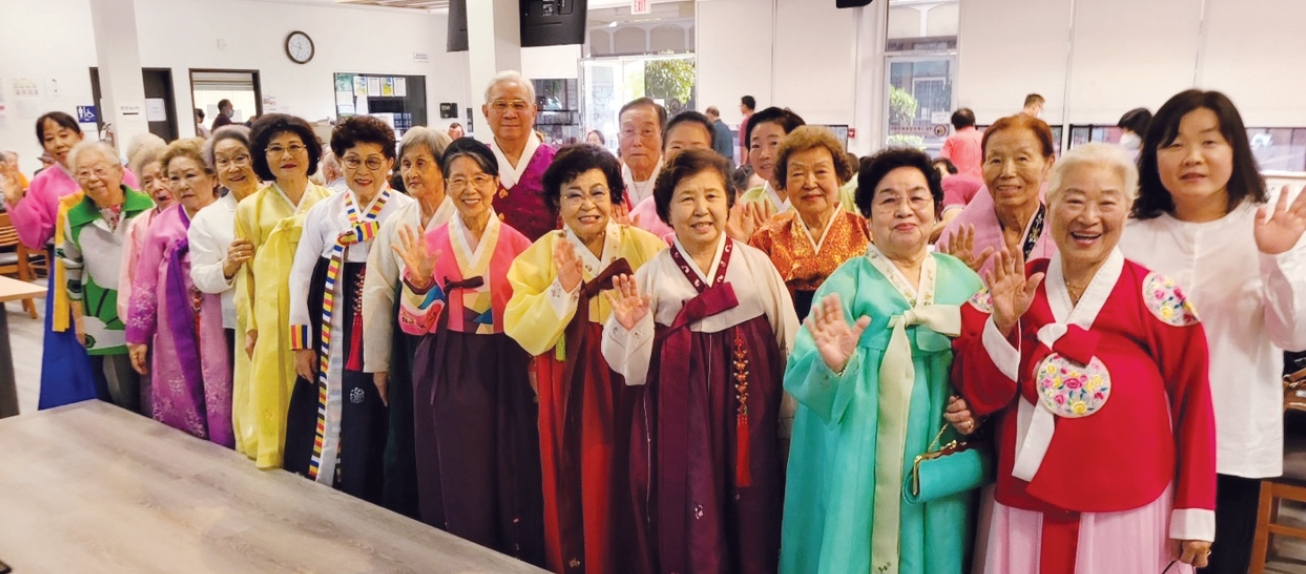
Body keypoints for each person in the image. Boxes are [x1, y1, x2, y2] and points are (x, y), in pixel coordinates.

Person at [952, 143, 1216, 573]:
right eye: (1073, 200)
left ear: (1127, 209)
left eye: (1106, 202)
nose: (1089, 217)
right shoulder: (1015, 286)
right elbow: (978, 394)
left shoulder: (1159, 298)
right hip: (1025, 500)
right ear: (1050, 202)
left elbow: (1195, 404)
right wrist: (1001, 323)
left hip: (1130, 503)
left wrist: (1195, 512)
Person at [1121, 90, 1306, 574]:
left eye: (1208, 142)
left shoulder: (1272, 228)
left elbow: (1295, 336)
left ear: (1235, 150)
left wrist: (1275, 258)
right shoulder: (1130, 234)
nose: (1192, 157)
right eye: (1174, 144)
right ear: (1153, 156)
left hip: (1230, 440)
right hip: (1138, 439)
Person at [780, 146, 982, 574]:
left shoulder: (964, 281)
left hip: (937, 440)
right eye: (888, 200)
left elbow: (987, 365)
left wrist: (976, 408)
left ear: (936, 208)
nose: (904, 210)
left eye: (917, 197)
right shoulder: (847, 282)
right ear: (868, 216)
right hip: (861, 444)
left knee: (939, 535)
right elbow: (803, 374)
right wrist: (835, 366)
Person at [602, 149, 799, 574]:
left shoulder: (757, 266)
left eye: (711, 196)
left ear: (729, 203)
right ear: (667, 211)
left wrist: (789, 422)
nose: (701, 209)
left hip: (750, 418)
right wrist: (632, 327)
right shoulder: (650, 276)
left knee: (753, 513)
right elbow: (629, 370)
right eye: (687, 198)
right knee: (692, 513)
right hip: (679, 421)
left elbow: (788, 345)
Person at [503, 144, 666, 574]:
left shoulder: (644, 245)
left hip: (630, 370)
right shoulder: (542, 253)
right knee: (576, 474)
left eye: (597, 192)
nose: (587, 205)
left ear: (614, 197)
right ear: (557, 202)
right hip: (568, 374)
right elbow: (519, 323)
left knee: (633, 467)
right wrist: (563, 288)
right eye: (573, 194)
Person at [392, 137, 544, 565]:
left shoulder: (521, 244)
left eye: (479, 178)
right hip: (447, 361)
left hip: (505, 364)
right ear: (446, 184)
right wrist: (419, 282)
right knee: (455, 462)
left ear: (496, 184)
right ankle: (456, 552)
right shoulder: (429, 242)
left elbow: (534, 320)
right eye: (458, 179)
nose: (469, 189)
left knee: (509, 458)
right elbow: (412, 324)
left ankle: (509, 552)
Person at [283, 116, 413, 502]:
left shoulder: (406, 210)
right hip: (331, 326)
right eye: (352, 161)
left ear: (389, 163)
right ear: (338, 162)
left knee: (381, 404)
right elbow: (300, 277)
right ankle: (329, 483)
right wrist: (301, 342)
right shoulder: (324, 213)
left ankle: (378, 491)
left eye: (373, 161)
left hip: (384, 322)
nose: (362, 171)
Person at [0, 113, 137, 410]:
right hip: (71, 276)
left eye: (64, 134)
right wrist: (16, 201)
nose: (58, 143)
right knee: (79, 348)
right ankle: (86, 410)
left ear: (79, 135)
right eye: (49, 139)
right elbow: (35, 238)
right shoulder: (43, 182)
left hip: (121, 269)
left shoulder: (117, 170)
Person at [361, 126, 454, 518]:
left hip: (455, 342)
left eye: (422, 164)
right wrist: (379, 362)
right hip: (407, 344)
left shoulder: (464, 216)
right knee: (408, 426)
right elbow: (378, 293)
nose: (411, 173)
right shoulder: (397, 223)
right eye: (406, 164)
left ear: (444, 168)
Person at [234, 114, 331, 469]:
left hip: (318, 305)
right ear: (263, 156)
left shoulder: (328, 201)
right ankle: (275, 452)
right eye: (275, 149)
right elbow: (246, 273)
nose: (286, 155)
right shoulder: (250, 208)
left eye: (294, 146)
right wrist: (251, 324)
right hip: (272, 312)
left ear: (310, 152)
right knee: (273, 380)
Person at [125, 138, 232, 445]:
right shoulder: (162, 225)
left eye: (190, 175)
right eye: (174, 177)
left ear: (213, 177)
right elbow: (145, 283)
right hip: (176, 323)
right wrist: (137, 337)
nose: (182, 185)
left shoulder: (230, 215)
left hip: (223, 317)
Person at [59, 140, 155, 413]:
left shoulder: (147, 205)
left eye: (99, 170)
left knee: (156, 385)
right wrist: (79, 319)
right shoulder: (74, 217)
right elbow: (71, 270)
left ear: (119, 171)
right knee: (120, 394)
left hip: (150, 311)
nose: (92, 179)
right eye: (83, 173)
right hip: (102, 317)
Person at [190, 125, 261, 459]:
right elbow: (202, 277)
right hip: (240, 321)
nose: (233, 167)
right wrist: (228, 266)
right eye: (223, 161)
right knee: (252, 394)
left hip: (288, 315)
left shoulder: (278, 201)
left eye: (241, 157)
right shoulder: (208, 219)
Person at [748, 126, 871, 320]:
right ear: (784, 182)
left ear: (839, 177)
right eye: (797, 174)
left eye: (821, 172)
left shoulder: (867, 232)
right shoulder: (766, 238)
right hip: (786, 337)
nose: (810, 183)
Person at [936, 114, 1059, 277]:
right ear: (982, 166)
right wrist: (961, 281)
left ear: (1049, 165)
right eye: (996, 161)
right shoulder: (959, 235)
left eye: (1022, 159)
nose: (1007, 172)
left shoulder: (1064, 231)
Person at [483, 70, 558, 241]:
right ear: (486, 112)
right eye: (500, 105)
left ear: (533, 111)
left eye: (519, 105)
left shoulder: (558, 163)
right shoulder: (475, 162)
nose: (510, 114)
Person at [117, 136, 174, 340]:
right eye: (148, 181)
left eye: (163, 177)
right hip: (161, 317)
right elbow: (131, 278)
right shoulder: (139, 225)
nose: (157, 186)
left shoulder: (199, 215)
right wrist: (136, 328)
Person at [628, 110, 715, 240]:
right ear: (663, 153)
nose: (685, 155)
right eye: (676, 147)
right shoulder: (643, 213)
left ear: (712, 155)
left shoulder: (725, 209)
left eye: (696, 148)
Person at [617, 97, 667, 209]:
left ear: (662, 136)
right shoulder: (612, 183)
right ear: (618, 138)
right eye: (629, 131)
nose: (637, 142)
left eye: (647, 131)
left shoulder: (675, 182)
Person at [940, 108, 984, 178]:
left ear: (955, 125)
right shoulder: (985, 138)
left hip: (958, 181)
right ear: (973, 123)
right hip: (982, 181)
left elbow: (943, 162)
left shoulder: (952, 140)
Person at [739, 95, 756, 162]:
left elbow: (745, 144)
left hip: (748, 160)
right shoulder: (759, 120)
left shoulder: (746, 122)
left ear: (745, 106)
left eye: (741, 106)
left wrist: (743, 163)